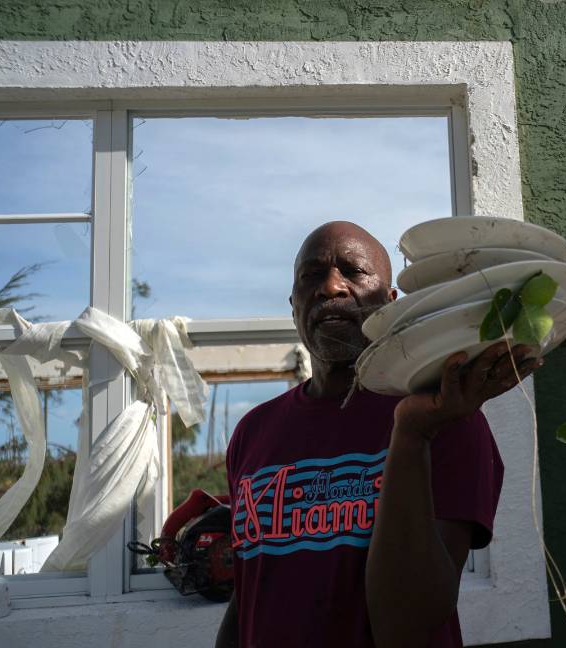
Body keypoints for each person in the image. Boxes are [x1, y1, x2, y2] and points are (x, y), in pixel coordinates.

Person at [216, 221, 540, 648]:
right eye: (311, 276)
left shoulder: (444, 418)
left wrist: (412, 435)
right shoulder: (253, 432)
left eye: (353, 272)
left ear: (390, 304)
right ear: (294, 303)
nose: (331, 287)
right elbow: (250, 592)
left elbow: (409, 625)